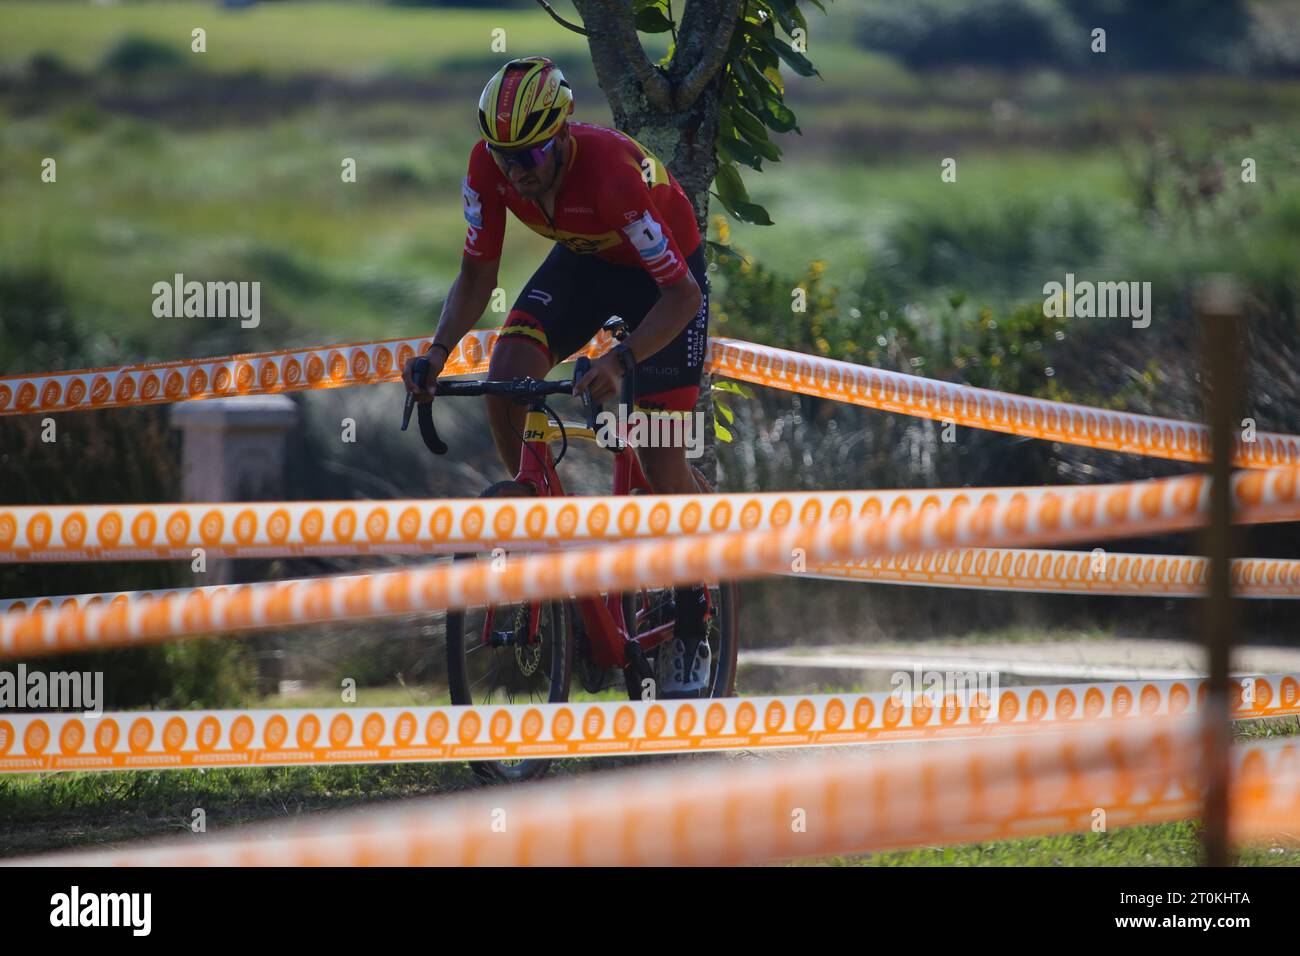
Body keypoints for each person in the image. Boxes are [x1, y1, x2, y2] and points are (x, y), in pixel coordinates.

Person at [402, 56, 712, 697]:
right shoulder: (489, 168)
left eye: (530, 155)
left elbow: (680, 296)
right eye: (504, 155)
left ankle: (692, 614)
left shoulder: (611, 178)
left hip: (664, 282)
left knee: (657, 449)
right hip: (583, 262)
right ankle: (537, 524)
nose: (516, 170)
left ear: (564, 135)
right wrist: (435, 354)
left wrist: (620, 360)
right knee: (506, 376)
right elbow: (476, 276)